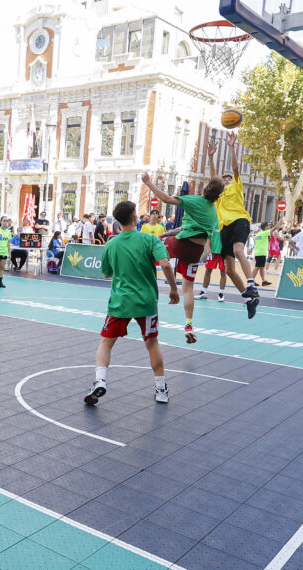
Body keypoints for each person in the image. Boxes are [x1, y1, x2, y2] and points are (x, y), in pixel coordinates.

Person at [84, 200, 180, 406]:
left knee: (106, 343)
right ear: (135, 217)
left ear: (117, 221)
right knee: (152, 343)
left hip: (121, 302)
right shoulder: (150, 240)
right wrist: (173, 289)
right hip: (146, 302)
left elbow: (106, 273)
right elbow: (165, 264)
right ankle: (161, 388)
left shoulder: (111, 244)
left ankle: (100, 380)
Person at [141, 171, 247, 346]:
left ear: (205, 189)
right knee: (188, 289)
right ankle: (189, 325)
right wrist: (165, 234)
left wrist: (148, 183)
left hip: (179, 244)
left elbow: (167, 199)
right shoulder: (213, 211)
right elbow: (186, 227)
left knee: (147, 255)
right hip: (195, 251)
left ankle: (142, 296)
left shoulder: (195, 200)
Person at [209, 134, 260, 304]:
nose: (226, 179)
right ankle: (248, 298)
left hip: (239, 220)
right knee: (229, 269)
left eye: (229, 178)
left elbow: (236, 169)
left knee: (238, 250)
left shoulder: (236, 188)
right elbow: (213, 176)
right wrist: (210, 156)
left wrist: (231, 147)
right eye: (224, 178)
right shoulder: (218, 194)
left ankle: (251, 283)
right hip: (224, 228)